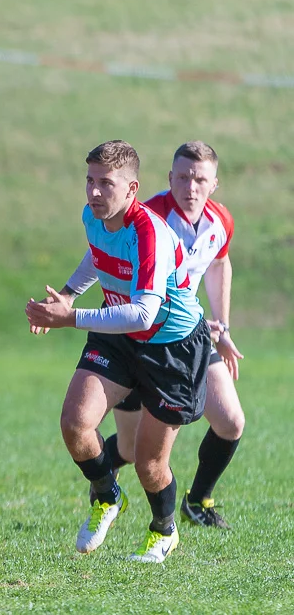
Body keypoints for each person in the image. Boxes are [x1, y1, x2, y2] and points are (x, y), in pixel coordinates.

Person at [25, 140, 213, 564]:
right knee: (75, 423)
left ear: (132, 190)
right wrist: (69, 296)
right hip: (119, 333)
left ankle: (164, 531)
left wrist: (70, 319)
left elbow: (145, 313)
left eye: (105, 184)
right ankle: (107, 495)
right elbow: (98, 256)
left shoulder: (149, 233)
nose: (93, 192)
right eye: (89, 181)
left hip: (172, 347)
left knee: (148, 463)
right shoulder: (94, 216)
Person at [81, 142, 245, 529]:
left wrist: (222, 326)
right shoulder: (148, 216)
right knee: (130, 448)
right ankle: (104, 482)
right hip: (138, 337)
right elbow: (108, 259)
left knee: (231, 422)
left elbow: (219, 262)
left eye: (200, 179)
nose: (191, 186)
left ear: (214, 184)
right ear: (170, 178)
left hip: (190, 335)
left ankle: (197, 500)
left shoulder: (220, 221)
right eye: (183, 177)